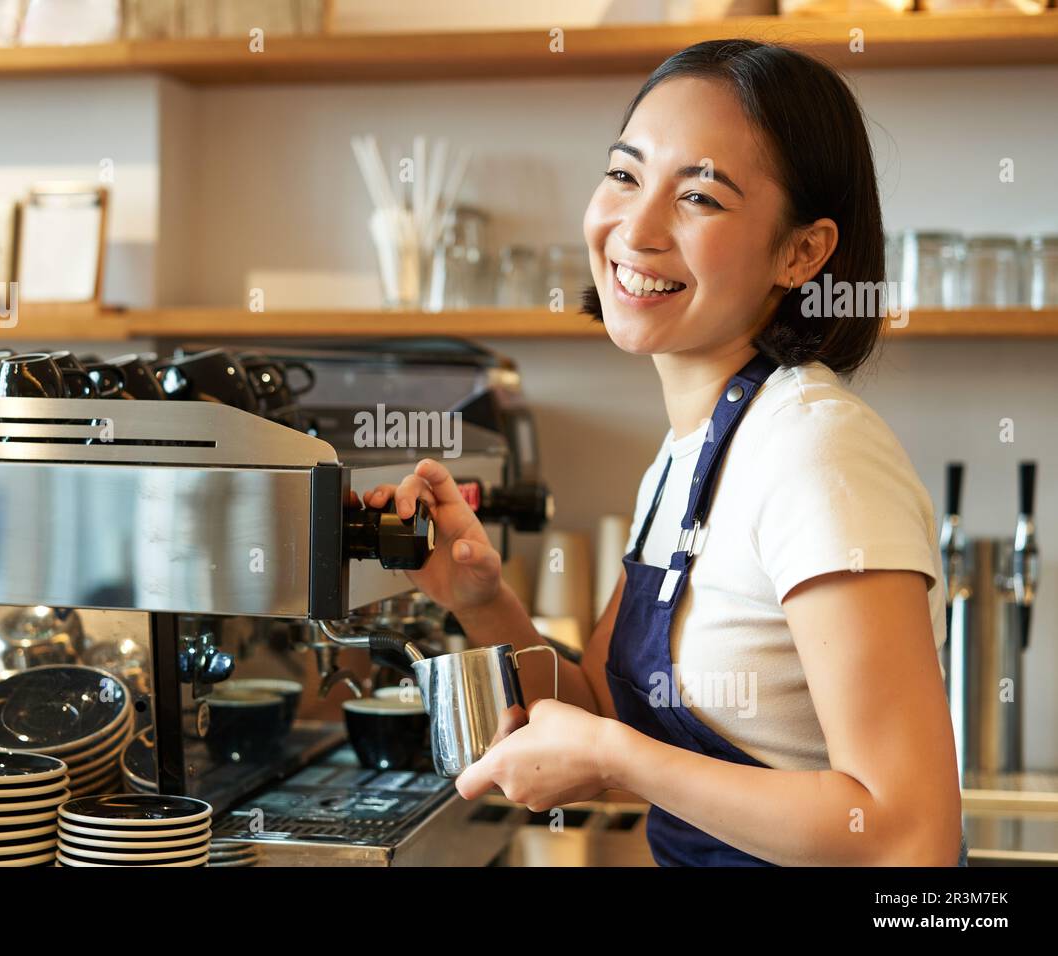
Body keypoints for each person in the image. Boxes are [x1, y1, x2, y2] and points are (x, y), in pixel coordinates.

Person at [366, 40, 963, 866]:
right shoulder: (696, 449)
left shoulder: (818, 453)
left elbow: (906, 832)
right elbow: (605, 707)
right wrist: (480, 597)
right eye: (624, 175)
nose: (636, 229)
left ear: (802, 252)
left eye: (700, 198)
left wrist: (616, 761)